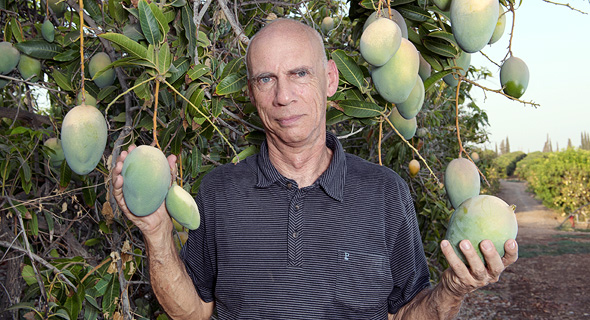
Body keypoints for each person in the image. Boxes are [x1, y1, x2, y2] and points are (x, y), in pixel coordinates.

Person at [112, 18, 518, 320]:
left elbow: (404, 315)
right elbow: (195, 313)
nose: (283, 96)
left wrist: (452, 289)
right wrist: (156, 232)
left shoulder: (385, 193)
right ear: (252, 92)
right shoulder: (219, 192)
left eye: (299, 74)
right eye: (266, 79)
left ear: (330, 79)